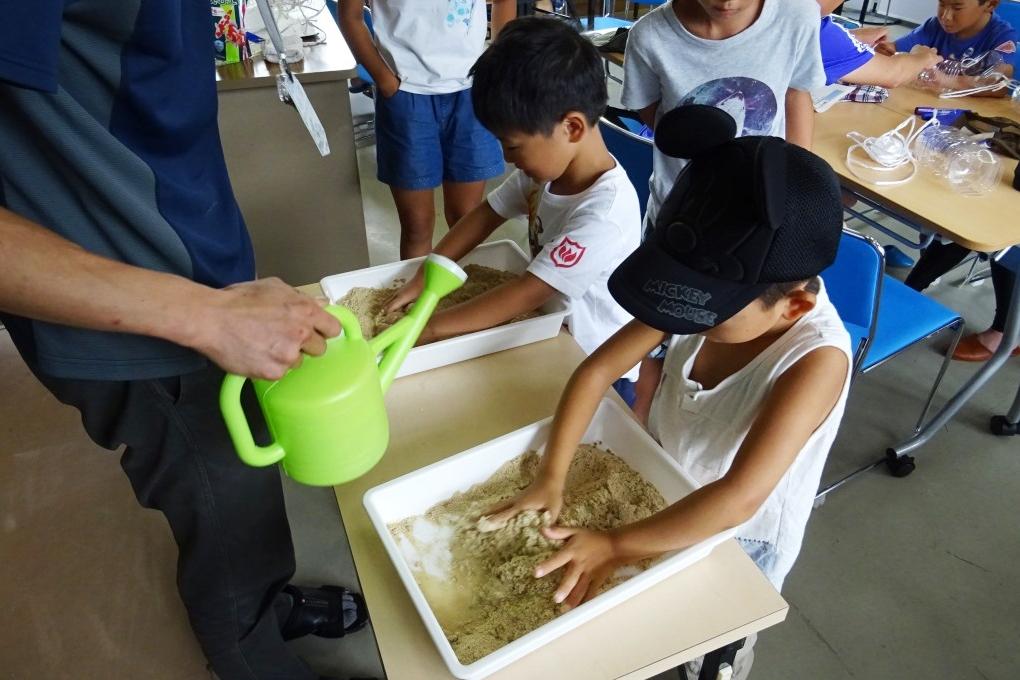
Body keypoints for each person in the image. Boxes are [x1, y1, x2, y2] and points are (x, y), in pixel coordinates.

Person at [0, 4, 373, 680]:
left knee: (249, 496)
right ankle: (256, 655)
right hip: (143, 328)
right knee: (224, 521)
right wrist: (203, 317)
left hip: (198, 275)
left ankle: (268, 606)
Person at [483, 105, 853, 680]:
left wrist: (612, 545)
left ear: (794, 306)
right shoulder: (706, 288)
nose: (689, 319)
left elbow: (738, 500)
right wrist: (551, 476)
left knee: (699, 645)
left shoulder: (816, 362)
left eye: (709, 313)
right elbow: (594, 372)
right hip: (663, 485)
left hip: (738, 541)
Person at [385, 16, 644, 402]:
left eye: (513, 146)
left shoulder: (603, 214)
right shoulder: (546, 173)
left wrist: (433, 328)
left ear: (571, 128)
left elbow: (529, 292)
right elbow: (486, 215)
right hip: (551, 332)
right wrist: (429, 272)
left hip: (593, 360)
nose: (507, 159)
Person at [619, 0, 827, 418]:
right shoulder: (650, 37)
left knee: (738, 329)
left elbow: (796, 92)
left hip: (760, 225)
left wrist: (798, 183)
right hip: (680, 216)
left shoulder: (796, 14)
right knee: (660, 334)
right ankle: (644, 419)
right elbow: (657, 118)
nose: (727, 2)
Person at [339, 0, 515, 260]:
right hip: (406, 95)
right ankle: (417, 299)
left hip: (470, 91)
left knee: (465, 219)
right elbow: (350, 16)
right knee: (417, 225)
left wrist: (498, 61)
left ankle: (465, 297)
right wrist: (384, 79)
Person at [876, 0, 1018, 82]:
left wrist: (944, 80)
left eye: (957, 8)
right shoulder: (934, 26)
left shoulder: (1002, 36)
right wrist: (882, 48)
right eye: (942, 4)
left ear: (990, 4)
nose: (946, 16)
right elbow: (894, 49)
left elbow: (999, 82)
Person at [817, 0, 943, 87]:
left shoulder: (807, 20)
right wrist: (923, 57)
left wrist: (852, 37)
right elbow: (894, 74)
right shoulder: (810, 25)